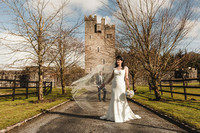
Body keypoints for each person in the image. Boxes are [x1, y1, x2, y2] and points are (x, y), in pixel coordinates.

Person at [99, 55, 141, 123]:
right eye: (117, 60)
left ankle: (122, 115)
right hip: (114, 86)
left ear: (122, 61)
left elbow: (126, 78)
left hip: (121, 86)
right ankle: (114, 115)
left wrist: (128, 87)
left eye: (119, 60)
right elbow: (111, 78)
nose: (117, 61)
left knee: (121, 99)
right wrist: (105, 83)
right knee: (114, 99)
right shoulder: (114, 69)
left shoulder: (125, 68)